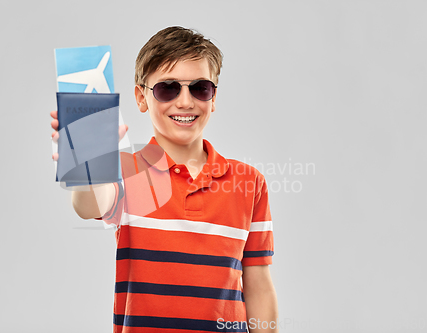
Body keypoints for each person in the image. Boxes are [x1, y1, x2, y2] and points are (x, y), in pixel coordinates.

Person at [50, 26, 278, 333]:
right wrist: (89, 163)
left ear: (213, 98)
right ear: (141, 97)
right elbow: (88, 204)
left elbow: (258, 285)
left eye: (200, 88)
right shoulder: (126, 170)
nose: (185, 102)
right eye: (167, 88)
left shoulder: (248, 182)